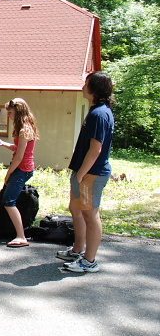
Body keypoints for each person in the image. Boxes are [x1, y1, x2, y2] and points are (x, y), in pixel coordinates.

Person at [57, 71, 114, 273]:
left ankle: (89, 261)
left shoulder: (99, 114)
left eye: (86, 84)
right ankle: (78, 249)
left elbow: (96, 149)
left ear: (94, 89)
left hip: (92, 174)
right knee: (76, 209)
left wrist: (81, 174)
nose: (82, 87)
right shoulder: (97, 111)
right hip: (83, 172)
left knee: (91, 215)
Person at [0, 98, 39, 247]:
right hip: (22, 168)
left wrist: (8, 173)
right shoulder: (25, 128)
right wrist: (3, 143)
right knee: (8, 200)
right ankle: (18, 233)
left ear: (18, 112)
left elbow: (19, 157)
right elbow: (17, 148)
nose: (9, 116)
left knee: (8, 201)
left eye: (10, 113)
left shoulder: (25, 130)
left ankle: (21, 236)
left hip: (22, 169)